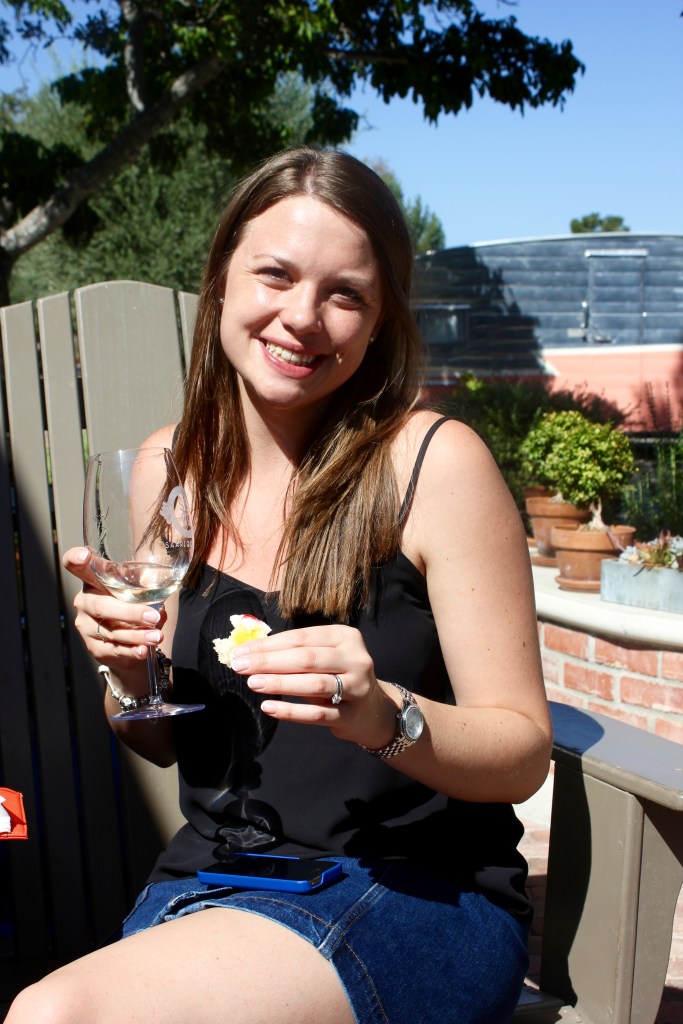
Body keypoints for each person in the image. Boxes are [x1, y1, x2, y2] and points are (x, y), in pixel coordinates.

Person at [8, 146, 552, 1024]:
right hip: (215, 878)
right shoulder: (172, 468)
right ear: (221, 279)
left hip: (413, 892)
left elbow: (521, 752)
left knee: (57, 1016)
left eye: (345, 294)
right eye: (275, 274)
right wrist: (129, 672)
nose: (302, 317)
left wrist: (383, 715)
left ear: (378, 321)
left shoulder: (432, 466)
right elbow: (161, 742)